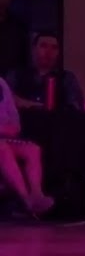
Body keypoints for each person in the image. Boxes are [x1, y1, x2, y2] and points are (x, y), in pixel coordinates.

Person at [0, 77, 55, 217]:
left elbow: (14, 121)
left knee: (33, 149)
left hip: (6, 135)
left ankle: (37, 194)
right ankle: (25, 199)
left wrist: (10, 129)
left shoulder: (2, 84)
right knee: (2, 148)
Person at [7, 32, 84, 112]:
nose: (48, 52)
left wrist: (31, 105)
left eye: (54, 47)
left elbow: (75, 107)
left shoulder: (67, 78)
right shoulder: (16, 75)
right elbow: (6, 101)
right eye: (43, 46)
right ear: (34, 49)